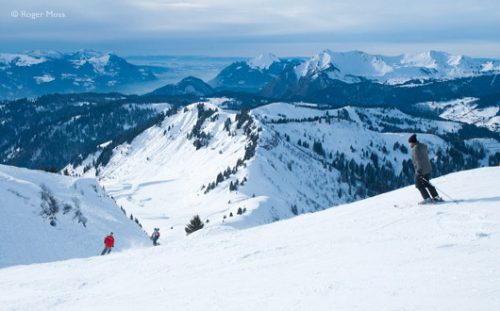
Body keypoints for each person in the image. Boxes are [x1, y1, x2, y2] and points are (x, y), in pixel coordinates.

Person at [408, 134, 442, 204]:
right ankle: (436, 196)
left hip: (421, 170)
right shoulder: (422, 146)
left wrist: (419, 170)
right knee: (427, 183)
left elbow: (418, 160)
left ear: (413, 142)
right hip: (428, 168)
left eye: (410, 143)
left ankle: (427, 198)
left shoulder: (415, 149)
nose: (410, 145)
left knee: (418, 184)